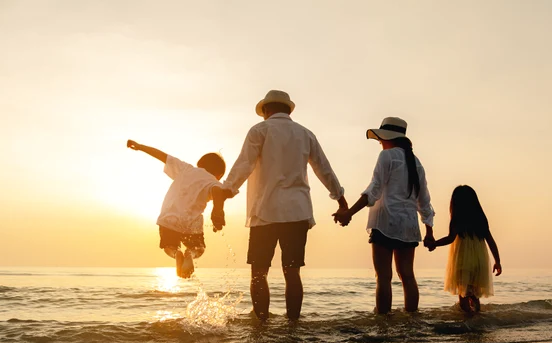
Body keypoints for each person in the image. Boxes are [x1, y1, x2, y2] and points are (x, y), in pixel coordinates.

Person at [211, 90, 347, 321]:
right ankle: (293, 326)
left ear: (265, 110)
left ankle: (261, 325)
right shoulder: (306, 134)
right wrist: (341, 202)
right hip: (297, 212)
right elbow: (324, 169)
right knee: (292, 272)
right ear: (288, 109)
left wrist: (226, 192)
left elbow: (243, 164)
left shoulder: (260, 130)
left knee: (258, 273)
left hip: (265, 211)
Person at [333, 117, 434, 314]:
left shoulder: (387, 157)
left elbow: (373, 191)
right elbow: (424, 200)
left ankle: (383, 323)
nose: (379, 142)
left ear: (388, 138)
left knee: (384, 277)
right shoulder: (416, 162)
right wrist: (429, 230)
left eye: (380, 139)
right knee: (407, 276)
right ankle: (411, 322)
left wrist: (348, 213)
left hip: (385, 223)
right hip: (408, 225)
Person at [126, 140, 230, 278]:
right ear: (219, 175)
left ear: (200, 164)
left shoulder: (185, 168)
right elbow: (217, 190)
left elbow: (162, 156)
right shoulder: (213, 181)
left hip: (169, 219)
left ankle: (177, 254)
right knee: (199, 248)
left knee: (169, 246)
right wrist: (218, 211)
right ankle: (190, 254)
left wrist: (140, 146)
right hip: (191, 223)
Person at [424, 185, 502, 313]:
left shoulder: (457, 219)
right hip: (479, 262)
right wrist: (497, 261)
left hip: (463, 262)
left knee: (464, 296)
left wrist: (434, 244)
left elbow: (450, 238)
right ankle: (477, 319)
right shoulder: (480, 219)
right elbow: (490, 241)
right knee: (474, 295)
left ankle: (468, 323)